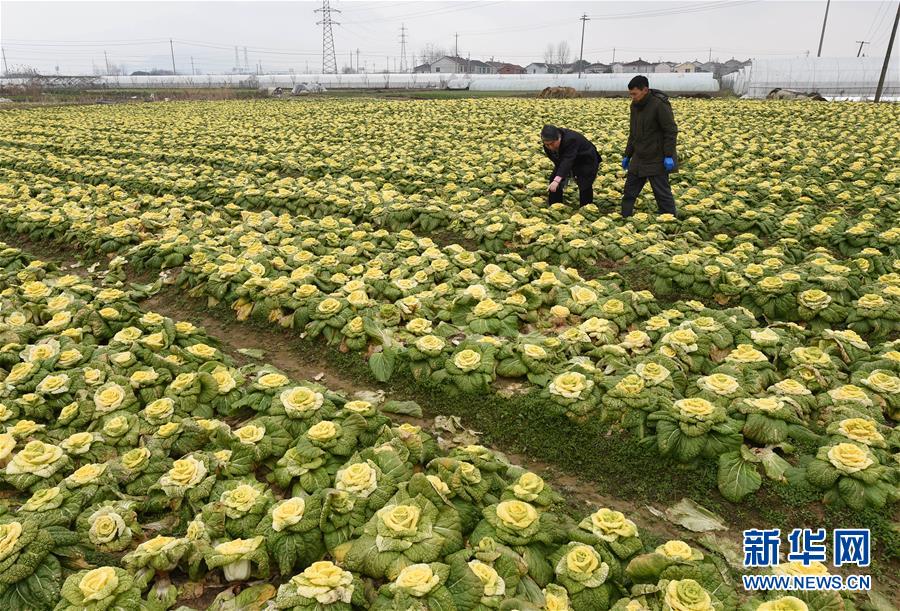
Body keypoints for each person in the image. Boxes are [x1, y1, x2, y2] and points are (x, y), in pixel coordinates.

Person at [620, 75, 678, 217]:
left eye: (635, 93)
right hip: (639, 156)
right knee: (629, 191)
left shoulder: (659, 104)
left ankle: (669, 219)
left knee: (661, 192)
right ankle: (625, 216)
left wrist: (668, 156)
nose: (632, 97)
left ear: (645, 90)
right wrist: (628, 154)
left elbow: (670, 131)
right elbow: (633, 132)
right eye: (630, 94)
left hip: (657, 156)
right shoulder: (634, 106)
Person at [541, 124, 601, 207]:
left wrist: (558, 179)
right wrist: (559, 175)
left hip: (585, 159)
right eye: (547, 145)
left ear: (559, 138)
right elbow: (559, 160)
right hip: (566, 159)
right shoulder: (547, 144)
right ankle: (555, 205)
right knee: (553, 181)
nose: (550, 147)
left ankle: (586, 207)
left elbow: (568, 159)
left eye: (552, 144)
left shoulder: (571, 140)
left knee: (584, 184)